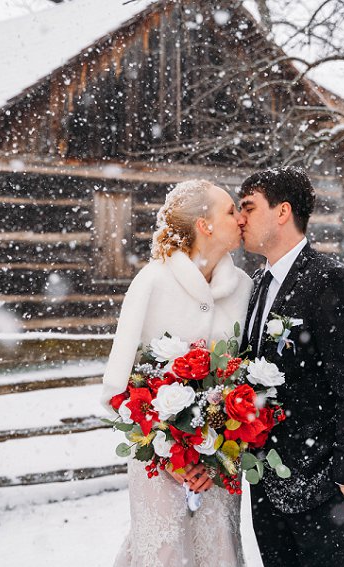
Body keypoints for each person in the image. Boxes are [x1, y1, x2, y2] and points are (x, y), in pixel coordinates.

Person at [101, 179, 253, 567]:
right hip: (157, 458)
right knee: (164, 555)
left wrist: (220, 450)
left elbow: (249, 379)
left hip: (220, 461)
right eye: (231, 211)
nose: (241, 219)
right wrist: (170, 454)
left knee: (220, 551)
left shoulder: (245, 289)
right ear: (204, 224)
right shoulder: (152, 282)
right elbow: (118, 385)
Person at [238, 166, 344, 567]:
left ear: (282, 212)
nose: (240, 218)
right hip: (266, 481)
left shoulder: (330, 281)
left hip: (322, 483)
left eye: (248, 207)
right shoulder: (256, 285)